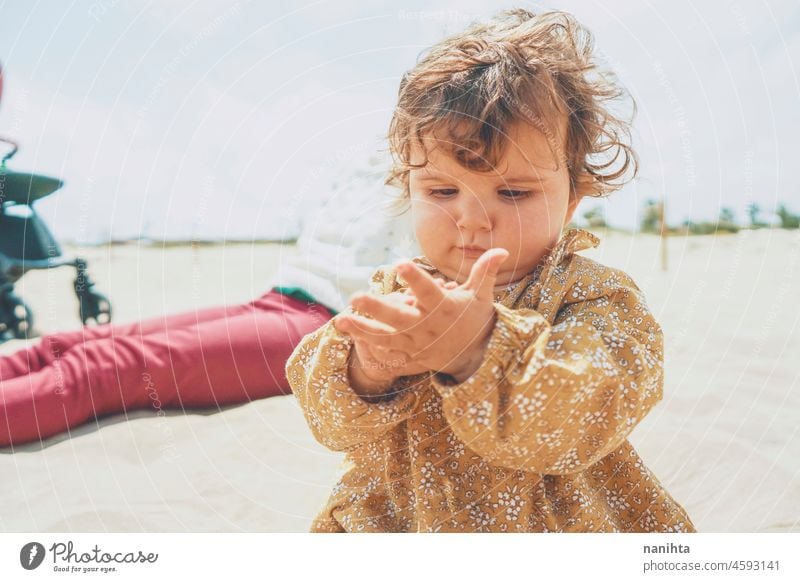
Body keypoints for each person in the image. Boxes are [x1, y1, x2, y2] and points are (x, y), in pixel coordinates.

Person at [286, 8, 697, 533]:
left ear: (573, 199)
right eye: (441, 191)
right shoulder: (398, 293)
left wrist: (480, 349)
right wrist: (368, 370)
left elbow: (596, 406)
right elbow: (329, 422)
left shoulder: (595, 296)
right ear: (406, 189)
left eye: (513, 192)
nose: (473, 220)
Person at [0, 166, 418, 448]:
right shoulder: (380, 160)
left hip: (325, 327)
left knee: (104, 368)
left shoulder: (455, 175)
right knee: (65, 344)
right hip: (280, 299)